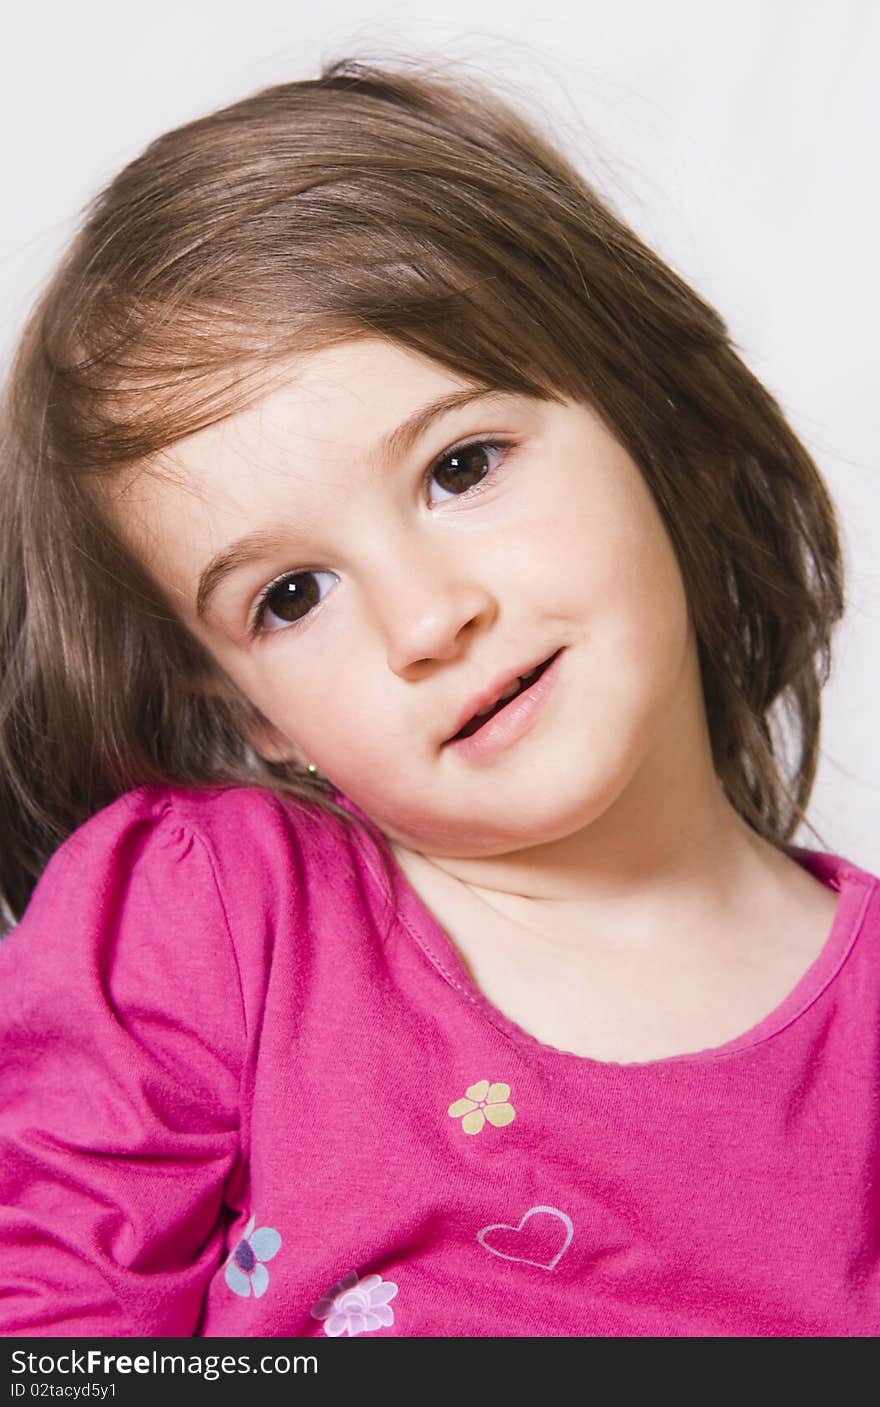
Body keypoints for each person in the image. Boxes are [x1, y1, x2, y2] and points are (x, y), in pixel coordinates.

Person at [0, 55, 876, 1340]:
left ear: (649, 417)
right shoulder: (215, 919)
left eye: (461, 465)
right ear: (255, 714)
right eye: (291, 596)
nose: (427, 621)